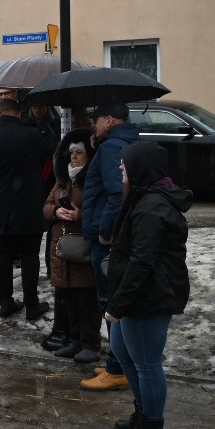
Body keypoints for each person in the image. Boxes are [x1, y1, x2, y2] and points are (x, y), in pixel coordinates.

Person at [105, 141, 191, 429]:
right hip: (139, 294)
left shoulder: (153, 207)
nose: (120, 168)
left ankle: (152, 428)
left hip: (149, 296)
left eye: (125, 164)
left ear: (139, 168)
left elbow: (143, 262)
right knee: (122, 350)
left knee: (146, 362)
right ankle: (143, 412)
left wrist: (118, 304)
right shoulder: (142, 198)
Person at [80, 102, 139, 391]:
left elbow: (117, 192)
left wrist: (105, 231)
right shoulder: (125, 141)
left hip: (107, 237)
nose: (94, 124)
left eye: (99, 119)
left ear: (111, 120)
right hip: (118, 232)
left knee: (110, 302)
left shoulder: (111, 148)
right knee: (113, 302)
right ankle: (120, 363)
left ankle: (117, 369)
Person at [0, 99, 49, 320]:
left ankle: (6, 302)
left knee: (3, 257)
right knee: (30, 256)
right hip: (30, 204)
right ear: (19, 114)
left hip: (3, 206)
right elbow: (45, 159)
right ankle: (31, 304)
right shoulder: (33, 135)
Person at [42, 130, 101, 364]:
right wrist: (56, 211)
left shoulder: (91, 180)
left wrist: (79, 215)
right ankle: (75, 341)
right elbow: (46, 205)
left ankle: (90, 344)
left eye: (79, 153)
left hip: (81, 246)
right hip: (61, 247)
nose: (74, 157)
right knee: (69, 300)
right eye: (72, 153)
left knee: (86, 300)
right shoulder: (62, 180)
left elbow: (99, 209)